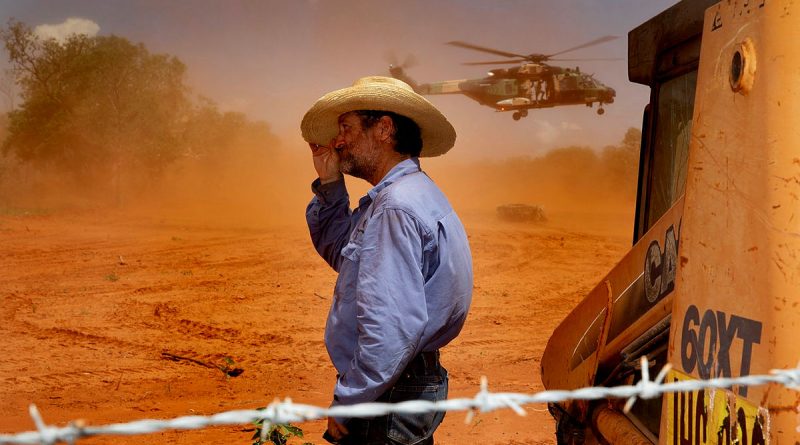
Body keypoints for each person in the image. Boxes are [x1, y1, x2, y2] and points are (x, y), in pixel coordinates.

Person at [300, 76, 473, 445]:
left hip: (390, 391)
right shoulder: (407, 195)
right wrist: (330, 183)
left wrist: (351, 400)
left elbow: (390, 328)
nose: (338, 140)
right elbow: (342, 254)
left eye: (346, 127)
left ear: (383, 128)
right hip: (405, 383)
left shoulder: (395, 208)